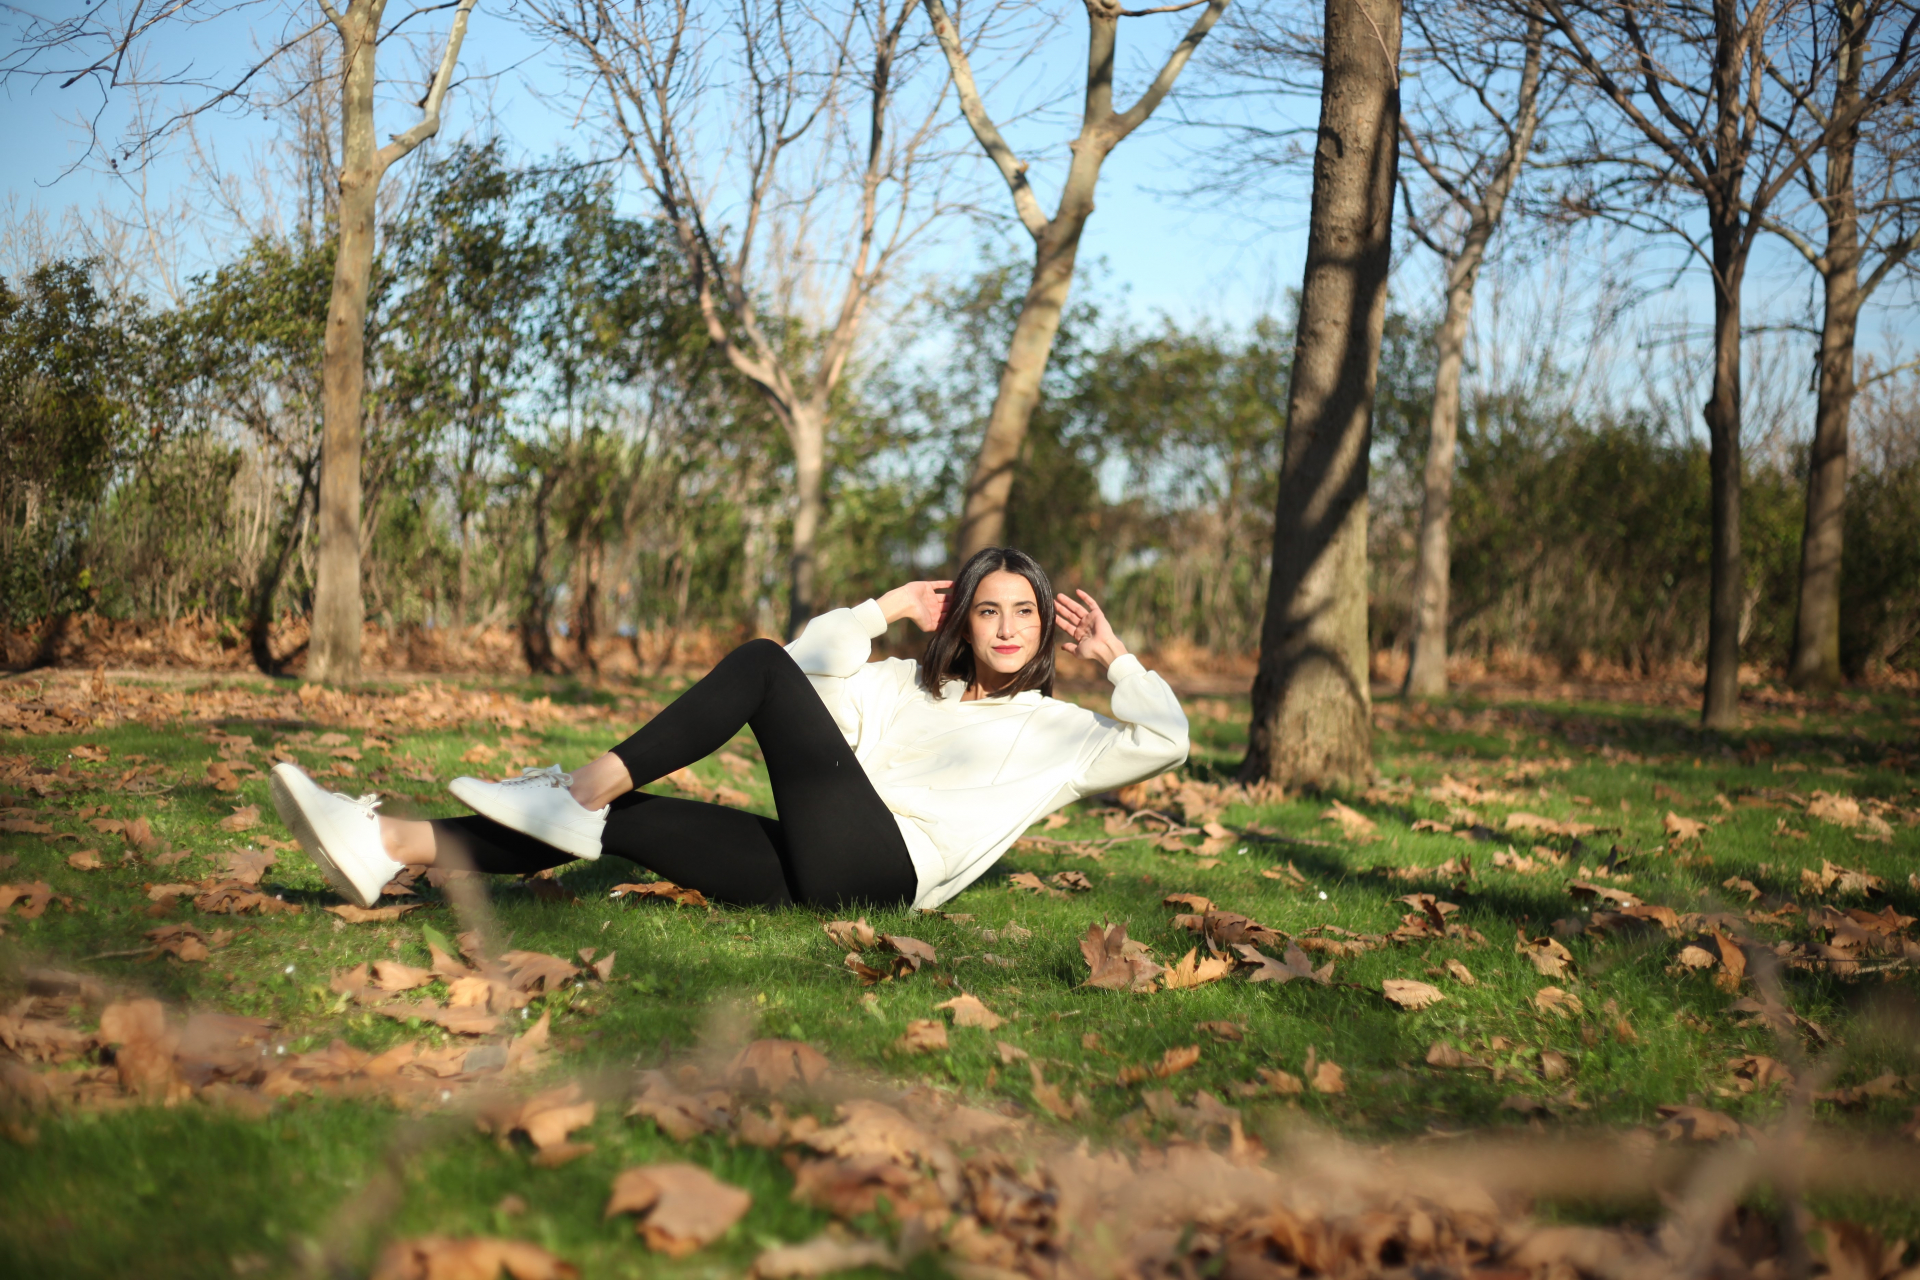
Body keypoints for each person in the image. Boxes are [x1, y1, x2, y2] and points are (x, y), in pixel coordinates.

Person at [267, 547, 1189, 913]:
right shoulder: (907, 685)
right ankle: (387, 845)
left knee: (751, 663)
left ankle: (579, 784)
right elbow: (808, 666)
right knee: (622, 825)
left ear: (1045, 628)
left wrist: (1117, 661)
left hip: (887, 876)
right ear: (965, 621)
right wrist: (887, 608)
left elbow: (1166, 742)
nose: (1006, 628)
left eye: (1024, 612)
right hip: (817, 869)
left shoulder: (1063, 731)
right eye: (988, 609)